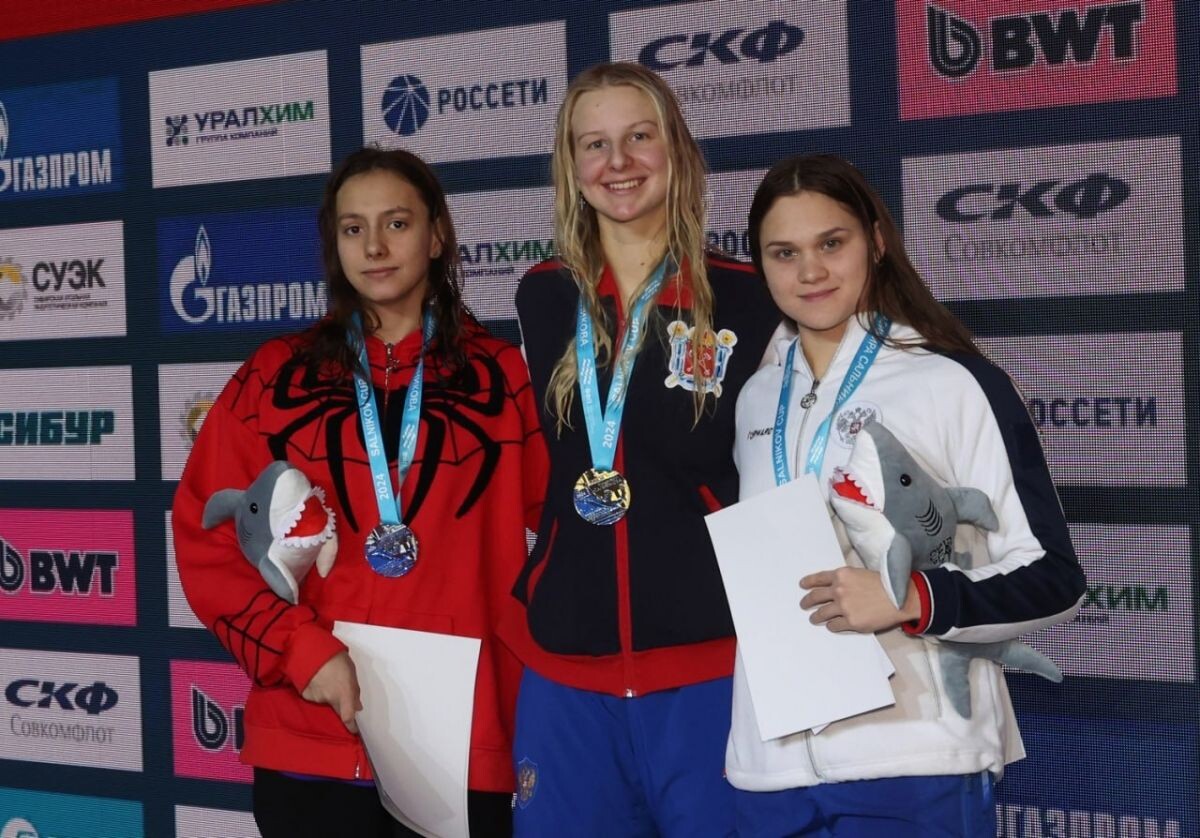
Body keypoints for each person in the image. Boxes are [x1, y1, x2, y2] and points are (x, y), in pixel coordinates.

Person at [173, 147, 546, 838]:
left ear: (437, 236)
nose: (374, 246)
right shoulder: (275, 377)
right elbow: (209, 534)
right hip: (311, 732)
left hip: (462, 745)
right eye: (353, 228)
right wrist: (298, 650)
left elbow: (574, 536)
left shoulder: (505, 380)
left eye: (397, 223)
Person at [726, 153, 1087, 837]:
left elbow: (1054, 579)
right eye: (785, 253)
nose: (810, 271)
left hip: (917, 760)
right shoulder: (753, 396)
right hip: (769, 770)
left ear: (876, 241)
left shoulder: (952, 381)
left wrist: (913, 598)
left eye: (831, 243)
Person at [497, 62, 780, 836]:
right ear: (571, 164)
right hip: (566, 668)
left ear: (676, 148)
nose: (617, 162)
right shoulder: (544, 294)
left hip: (711, 661)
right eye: (595, 143)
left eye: (638, 137)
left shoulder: (748, 295)